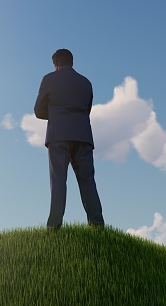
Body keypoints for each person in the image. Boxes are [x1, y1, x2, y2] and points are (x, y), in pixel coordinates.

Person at [34, 48, 105, 229]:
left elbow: (38, 110)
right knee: (88, 182)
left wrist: (54, 113)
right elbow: (87, 108)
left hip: (58, 135)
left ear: (56, 63)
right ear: (71, 62)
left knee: (58, 181)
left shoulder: (49, 79)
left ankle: (54, 227)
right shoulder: (86, 82)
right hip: (83, 135)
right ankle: (97, 226)